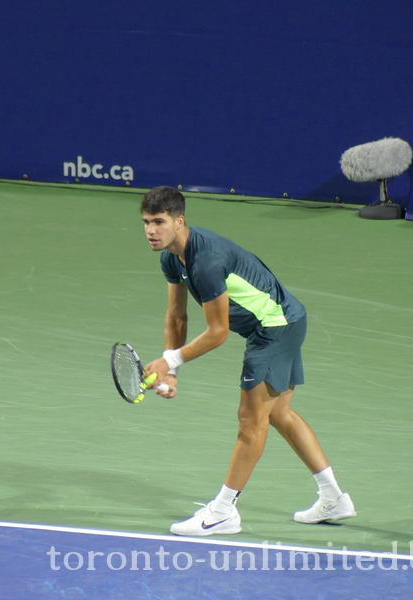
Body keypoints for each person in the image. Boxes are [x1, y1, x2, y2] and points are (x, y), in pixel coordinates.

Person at [140, 186, 356, 536]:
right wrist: (172, 368)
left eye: (159, 222)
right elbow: (176, 317)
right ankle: (334, 497)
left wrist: (169, 361)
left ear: (180, 221)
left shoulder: (206, 261)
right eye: (147, 222)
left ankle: (223, 511)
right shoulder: (171, 257)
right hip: (282, 322)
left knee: (249, 420)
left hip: (275, 329)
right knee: (279, 414)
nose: (151, 230)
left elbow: (218, 332)